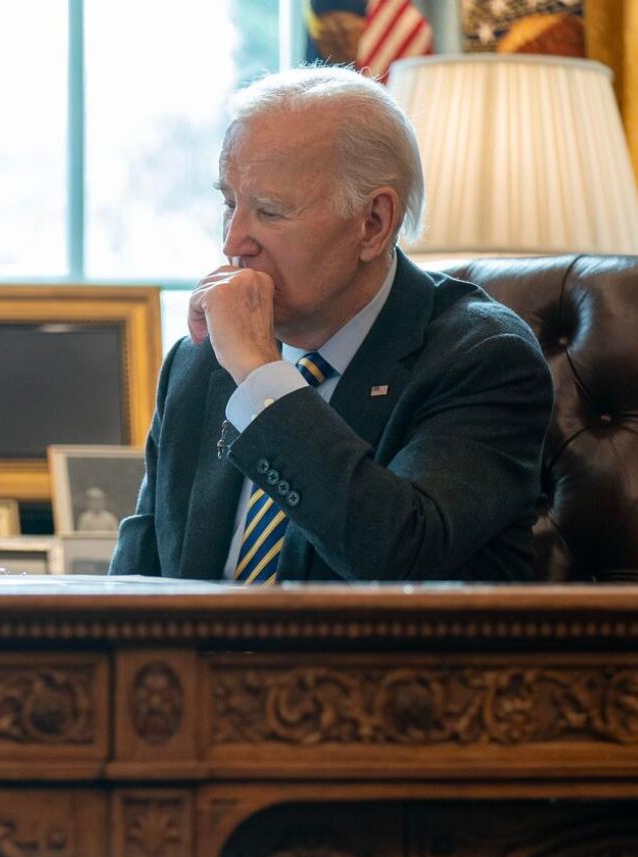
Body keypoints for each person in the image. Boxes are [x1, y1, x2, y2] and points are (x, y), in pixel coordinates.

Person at [109, 67, 553, 583]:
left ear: (373, 224)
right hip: (197, 666)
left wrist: (261, 379)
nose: (233, 242)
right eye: (230, 204)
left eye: (270, 213)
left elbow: (398, 557)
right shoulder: (199, 361)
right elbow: (134, 587)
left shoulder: (483, 358)